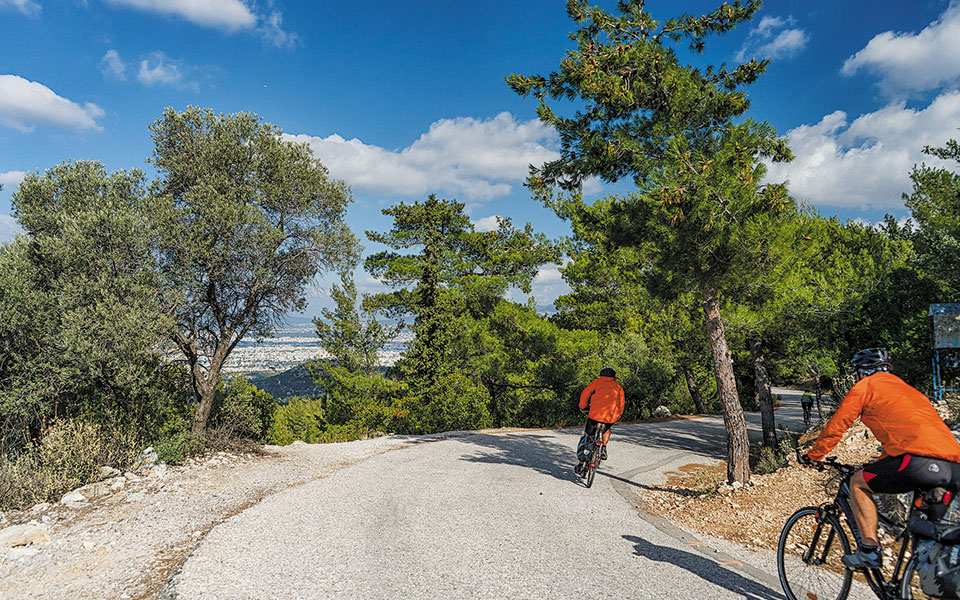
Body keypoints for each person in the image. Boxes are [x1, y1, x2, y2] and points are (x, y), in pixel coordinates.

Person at [801, 348, 960, 569]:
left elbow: (837, 426)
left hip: (918, 461)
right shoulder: (909, 390)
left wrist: (813, 456)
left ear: (861, 372)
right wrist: (878, 464)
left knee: (857, 483)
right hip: (953, 466)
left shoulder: (865, 386)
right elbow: (901, 440)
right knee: (928, 543)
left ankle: (868, 550)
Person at [575, 366, 625, 475]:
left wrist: (583, 407)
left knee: (587, 436)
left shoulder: (596, 383)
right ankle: (603, 447)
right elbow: (622, 402)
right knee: (607, 429)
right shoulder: (618, 387)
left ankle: (580, 464)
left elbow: (585, 393)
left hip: (594, 415)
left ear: (601, 374)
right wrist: (618, 414)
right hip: (610, 417)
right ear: (613, 376)